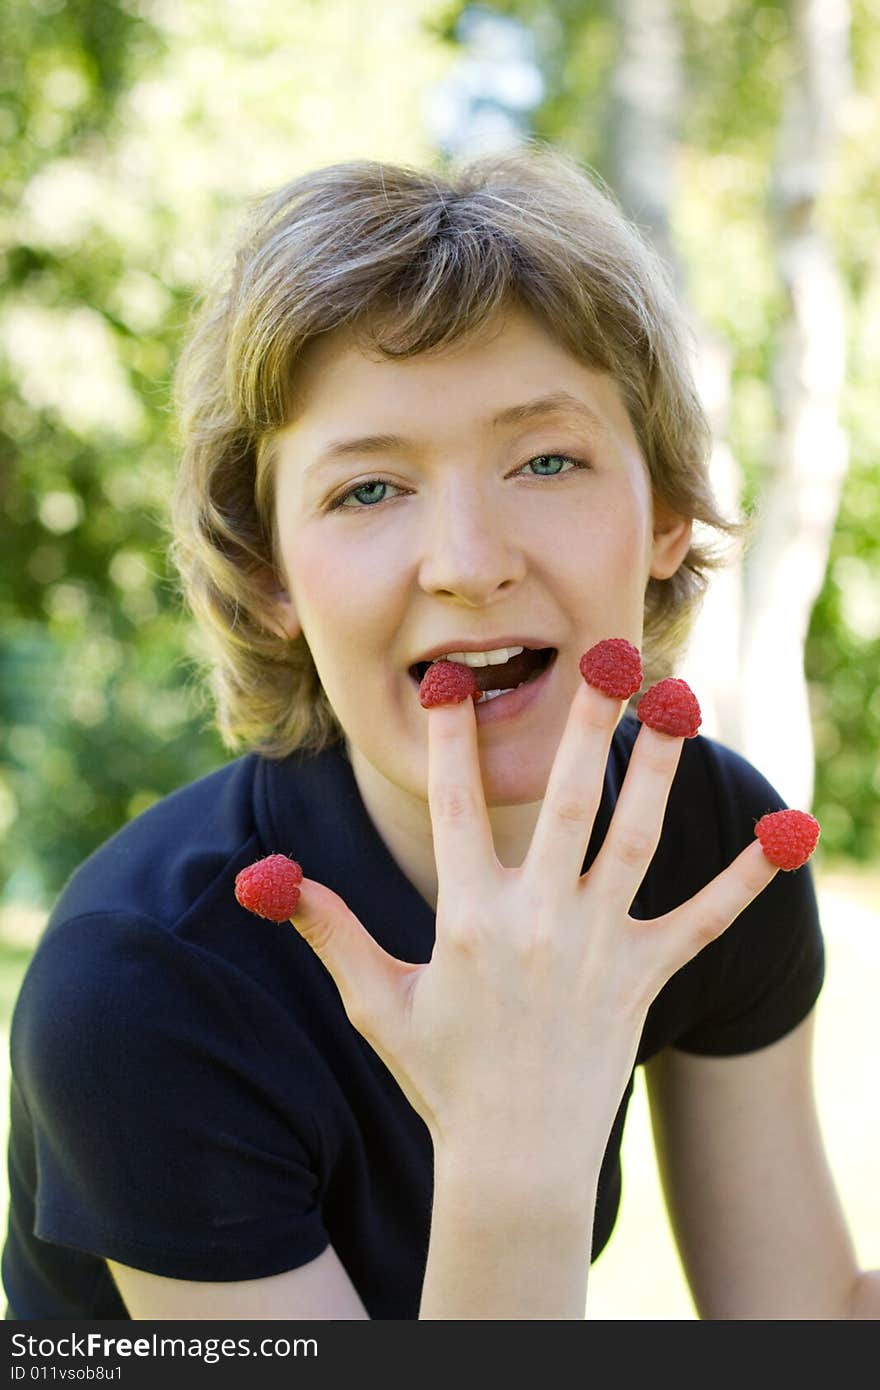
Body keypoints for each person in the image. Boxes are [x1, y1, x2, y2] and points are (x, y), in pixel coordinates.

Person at [2, 141, 876, 1321]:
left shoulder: (714, 844)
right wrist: (514, 1135)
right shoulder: (146, 985)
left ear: (666, 512)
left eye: (548, 459)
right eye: (368, 488)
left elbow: (795, 1324)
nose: (469, 564)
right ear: (268, 574)